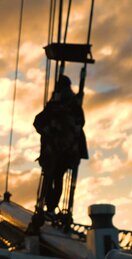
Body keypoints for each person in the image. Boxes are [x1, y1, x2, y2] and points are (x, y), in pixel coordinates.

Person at [33, 75, 88, 215]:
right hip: (60, 151)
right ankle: (49, 208)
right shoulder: (65, 105)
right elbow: (39, 122)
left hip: (61, 152)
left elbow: (79, 123)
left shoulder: (63, 105)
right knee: (54, 178)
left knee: (53, 178)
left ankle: (49, 208)